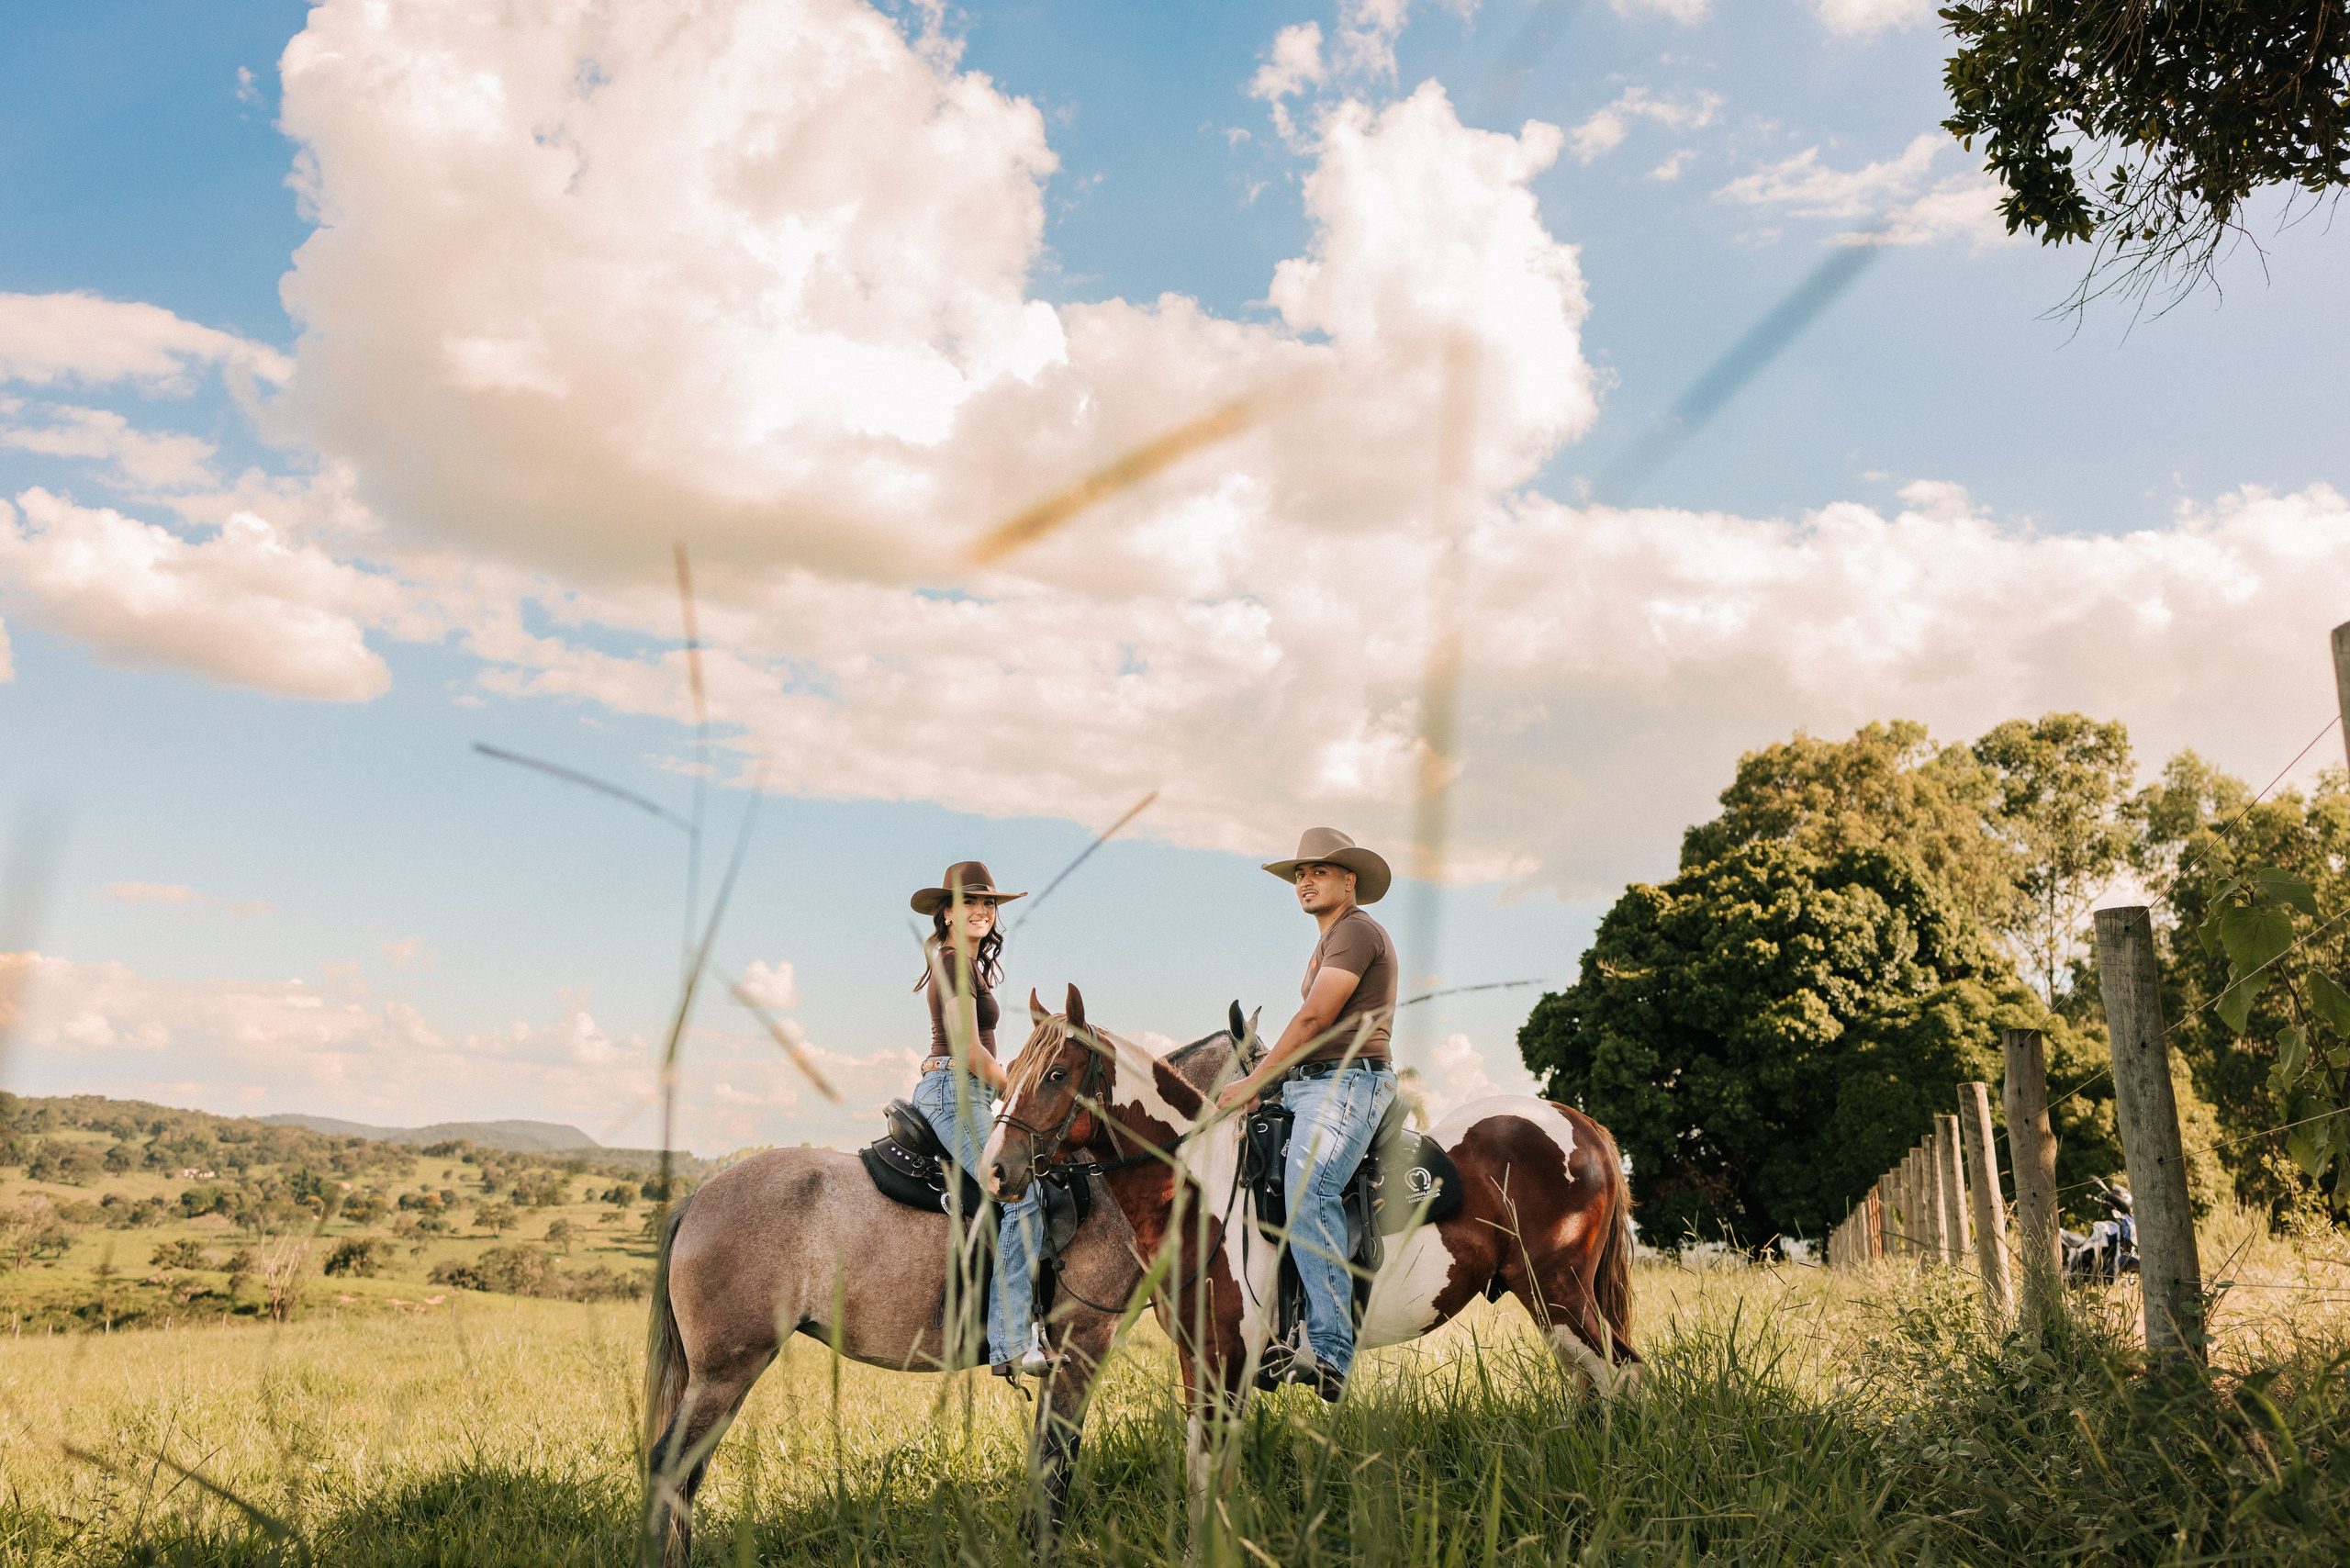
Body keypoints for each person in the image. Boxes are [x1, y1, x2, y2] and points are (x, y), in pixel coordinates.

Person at [1214, 827, 1399, 1400]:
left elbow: (1317, 1020)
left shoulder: (1357, 931)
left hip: (1346, 1084)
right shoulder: (1328, 940)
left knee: (1305, 1188)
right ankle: (1275, 1327)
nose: (1305, 880)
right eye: (1299, 873)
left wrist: (1254, 1081)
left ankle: (1331, 1351)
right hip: (1308, 1083)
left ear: (1350, 880)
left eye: (1318, 871)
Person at [909, 860, 1052, 1378]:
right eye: (968, 902)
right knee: (1021, 1193)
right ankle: (1012, 1341)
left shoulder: (965, 965)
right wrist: (1020, 1090)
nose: (981, 911)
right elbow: (970, 1051)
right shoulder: (953, 964)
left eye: (987, 903)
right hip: (955, 1091)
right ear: (945, 914)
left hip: (966, 1091)